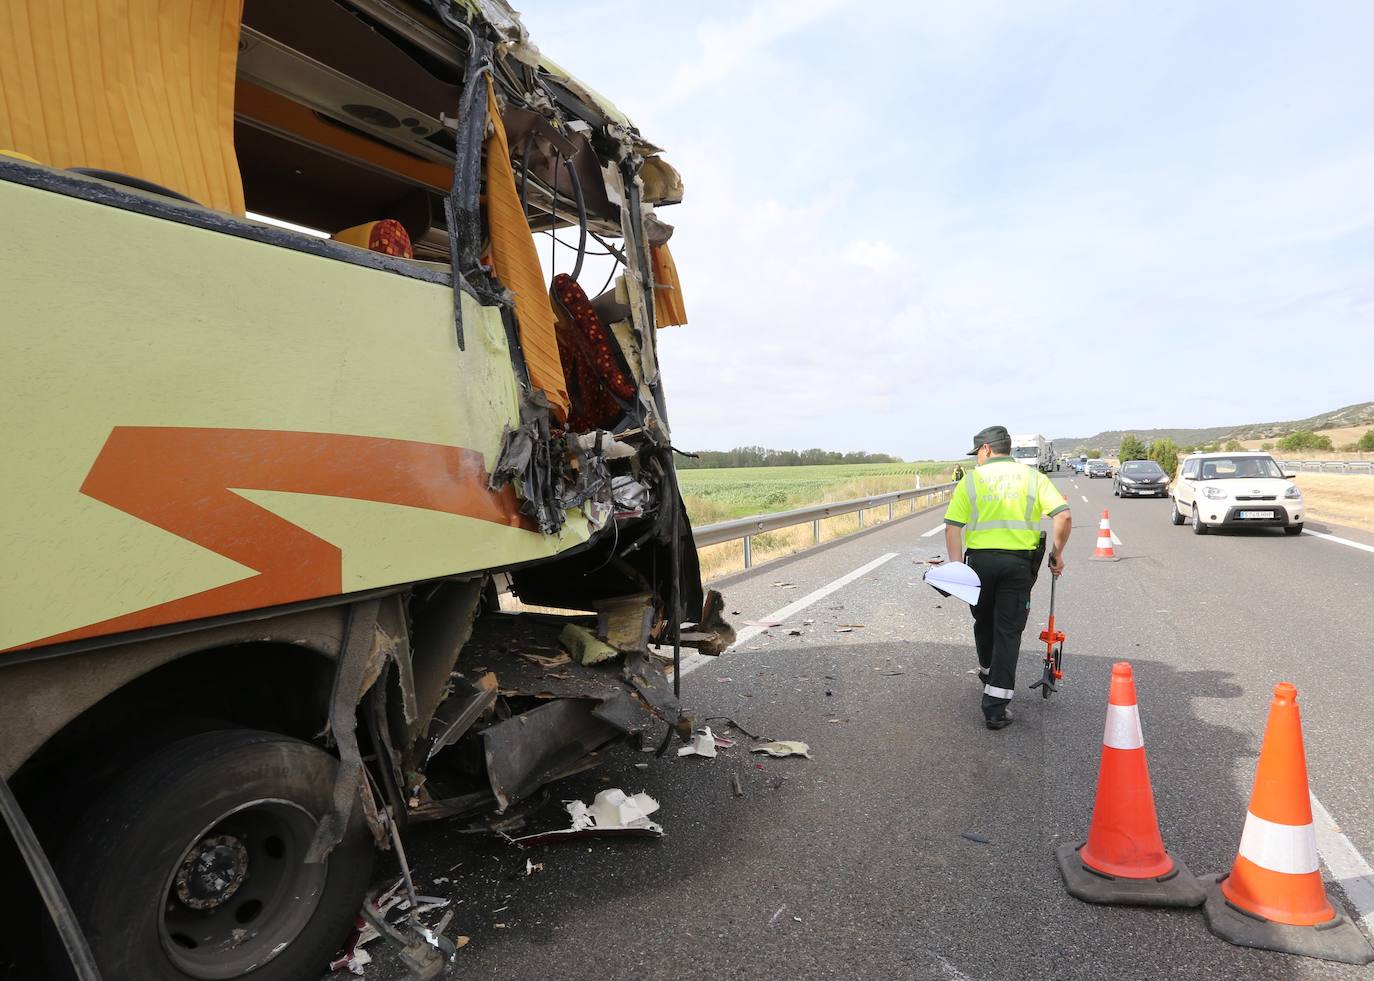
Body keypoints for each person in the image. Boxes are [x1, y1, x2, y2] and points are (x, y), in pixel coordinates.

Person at [944, 426, 1071, 730]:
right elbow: (1063, 515)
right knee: (1007, 631)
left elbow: (952, 527)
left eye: (977, 454)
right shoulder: (1033, 478)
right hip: (1017, 566)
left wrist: (955, 568)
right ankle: (995, 708)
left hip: (979, 564)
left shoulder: (971, 481)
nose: (976, 460)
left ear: (987, 449)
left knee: (983, 621)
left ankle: (989, 673)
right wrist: (1057, 554)